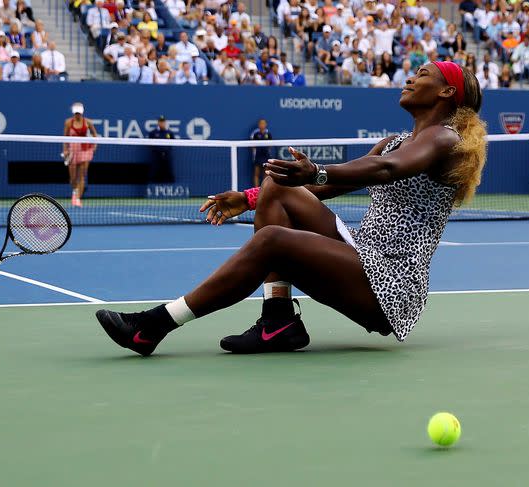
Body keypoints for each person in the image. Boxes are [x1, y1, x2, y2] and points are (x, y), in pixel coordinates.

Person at [95, 61, 487, 356]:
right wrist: (249, 199)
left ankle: (154, 325)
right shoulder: (395, 140)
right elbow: (331, 184)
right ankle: (278, 322)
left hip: (389, 285)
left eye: (422, 74)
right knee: (275, 186)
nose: (410, 78)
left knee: (273, 241)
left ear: (446, 92)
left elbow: (387, 170)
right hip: (362, 255)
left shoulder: (443, 138)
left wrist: (316, 170)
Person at [62, 103, 98, 207]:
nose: (77, 115)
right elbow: (64, 138)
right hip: (73, 151)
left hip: (85, 150)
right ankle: (75, 192)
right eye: (76, 113)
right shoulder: (68, 122)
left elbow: (95, 135)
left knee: (82, 176)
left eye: (79, 113)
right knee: (73, 178)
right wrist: (65, 150)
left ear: (82, 112)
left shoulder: (88, 122)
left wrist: (94, 146)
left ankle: (78, 198)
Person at [148, 115, 175, 183]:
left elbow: (173, 143)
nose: (162, 123)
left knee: (168, 172)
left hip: (167, 156)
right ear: (158, 123)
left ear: (165, 123)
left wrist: (166, 151)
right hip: (156, 157)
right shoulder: (153, 133)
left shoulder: (169, 133)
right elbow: (150, 144)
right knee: (155, 172)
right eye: (160, 122)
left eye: (163, 122)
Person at [251, 119, 272, 187]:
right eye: (261, 123)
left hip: (266, 156)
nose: (262, 125)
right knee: (256, 173)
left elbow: (270, 145)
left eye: (263, 123)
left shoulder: (268, 134)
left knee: (266, 173)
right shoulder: (255, 134)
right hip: (258, 156)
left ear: (266, 125)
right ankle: (256, 190)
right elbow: (252, 145)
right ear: (258, 125)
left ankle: (264, 188)